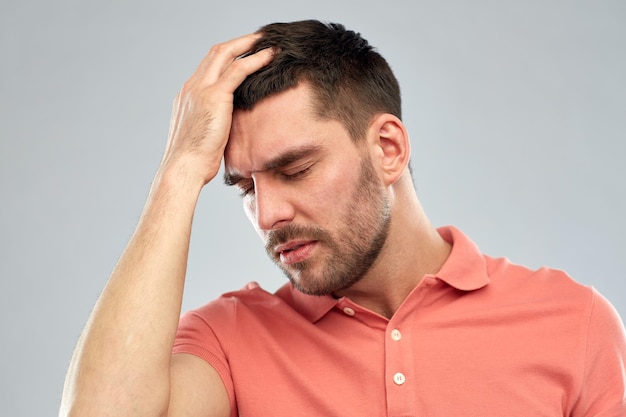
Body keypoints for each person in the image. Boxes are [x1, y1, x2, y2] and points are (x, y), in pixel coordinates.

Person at [59, 20, 626, 417]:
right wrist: (180, 168)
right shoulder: (227, 340)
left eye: (296, 169)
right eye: (244, 188)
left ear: (387, 149)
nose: (269, 214)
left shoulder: (574, 323)